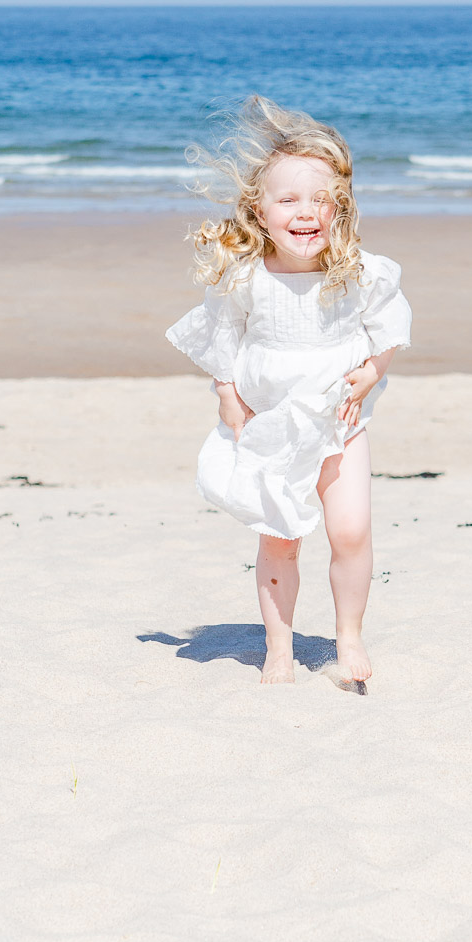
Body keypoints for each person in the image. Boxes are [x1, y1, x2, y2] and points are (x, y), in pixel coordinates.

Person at [166, 97, 412, 686]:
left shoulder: (358, 272)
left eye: (322, 201)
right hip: (271, 426)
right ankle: (279, 648)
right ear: (260, 208)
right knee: (280, 540)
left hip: (339, 421)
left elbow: (390, 325)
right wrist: (226, 389)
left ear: (341, 209)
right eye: (289, 200)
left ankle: (348, 637)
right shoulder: (247, 276)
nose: (307, 213)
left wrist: (374, 371)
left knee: (350, 530)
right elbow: (222, 333)